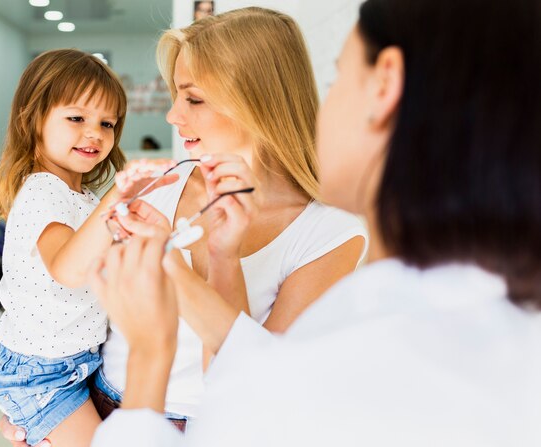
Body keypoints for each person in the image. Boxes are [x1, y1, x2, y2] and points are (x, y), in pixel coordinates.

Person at [90, 0, 541, 445]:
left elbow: (254, 404)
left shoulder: (350, 344)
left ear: (385, 85)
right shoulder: (493, 340)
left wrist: (152, 356)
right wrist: (206, 259)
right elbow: (255, 370)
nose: (317, 108)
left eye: (337, 79)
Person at [0, 7, 366, 446]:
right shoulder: (157, 185)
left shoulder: (329, 233)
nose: (172, 116)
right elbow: (64, 300)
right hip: (99, 406)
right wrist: (39, 412)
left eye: (192, 98)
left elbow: (251, 385)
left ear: (256, 99)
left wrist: (200, 261)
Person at [0, 49, 154, 447]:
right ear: (34, 118)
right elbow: (67, 268)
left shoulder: (78, 197)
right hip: (42, 375)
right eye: (77, 118)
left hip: (76, 364)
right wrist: (118, 197)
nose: (95, 133)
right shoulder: (42, 189)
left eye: (107, 123)